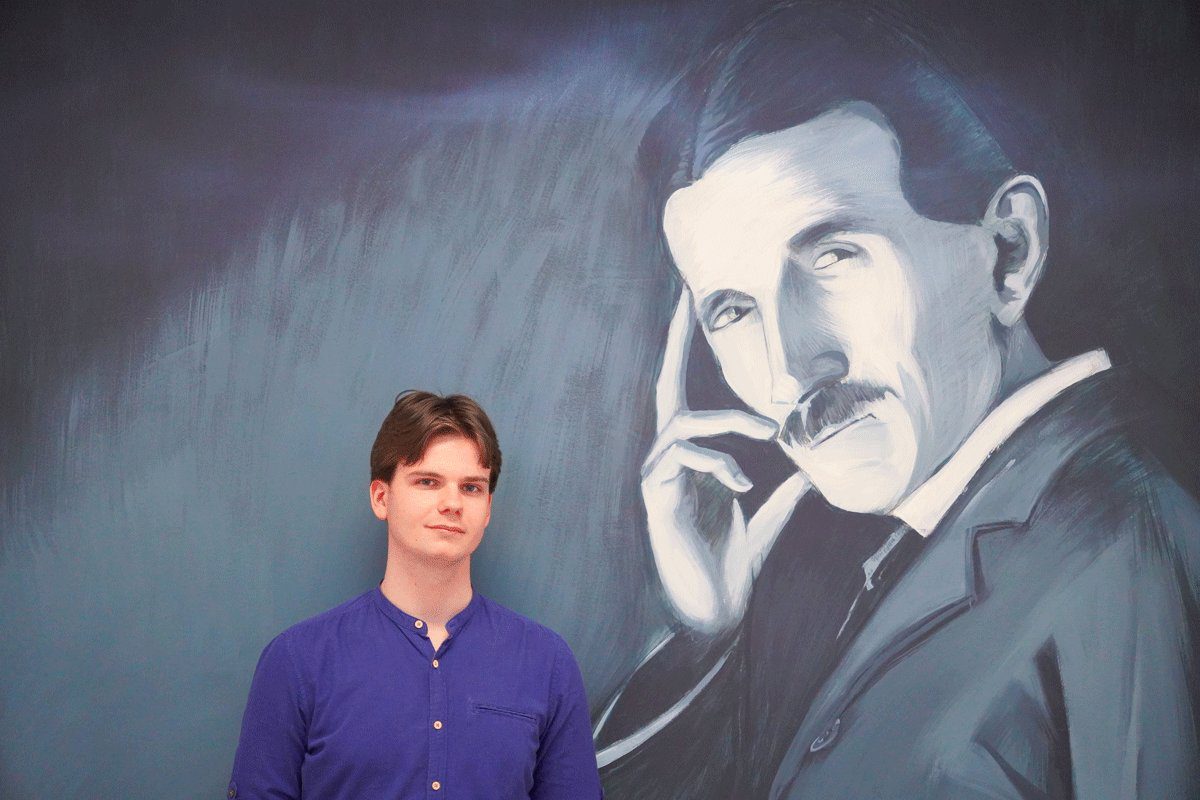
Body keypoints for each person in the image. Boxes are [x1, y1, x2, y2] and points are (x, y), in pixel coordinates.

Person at [594, 2, 1200, 797]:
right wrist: (710, 633)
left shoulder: (1129, 539)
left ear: (1008, 253)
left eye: (833, 257)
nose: (786, 372)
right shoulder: (846, 558)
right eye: (732, 311)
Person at [229, 391, 602, 799]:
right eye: (428, 481)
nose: (452, 503)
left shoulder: (547, 664)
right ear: (381, 498)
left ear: (487, 509)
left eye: (471, 487)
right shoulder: (297, 662)